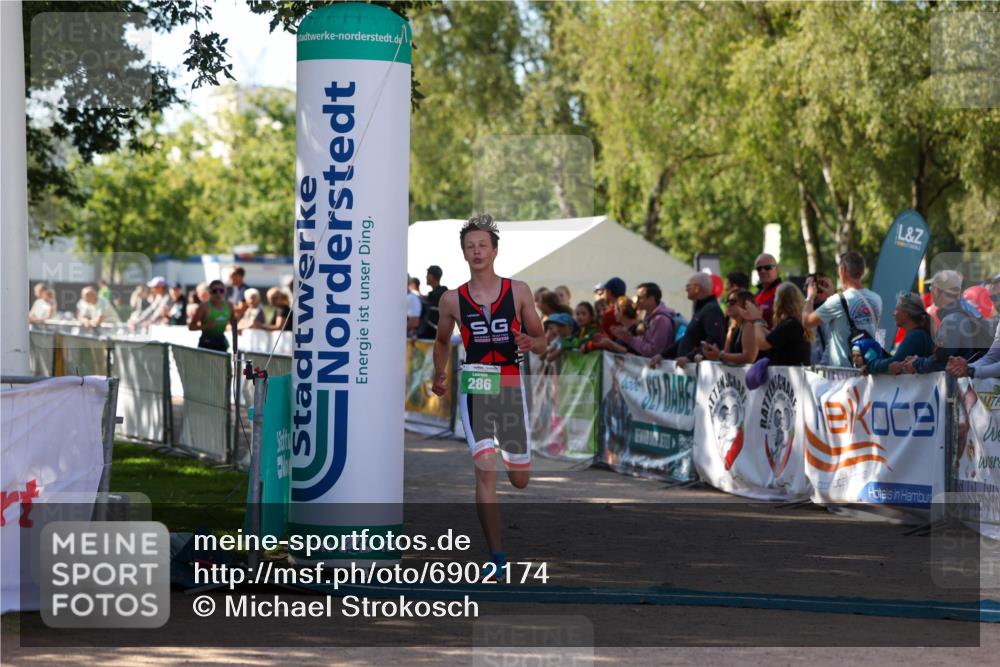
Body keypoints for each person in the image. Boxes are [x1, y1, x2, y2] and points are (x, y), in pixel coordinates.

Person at [431, 214, 546, 581]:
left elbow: (541, 339)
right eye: (470, 246)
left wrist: (531, 342)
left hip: (510, 385)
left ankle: (515, 462)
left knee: (520, 478)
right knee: (484, 468)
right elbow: (440, 340)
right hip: (477, 383)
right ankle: (496, 556)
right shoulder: (452, 299)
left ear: (494, 250)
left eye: (482, 245)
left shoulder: (519, 291)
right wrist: (441, 372)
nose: (477, 251)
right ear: (463, 254)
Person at [902, 270, 992, 375]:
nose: (930, 292)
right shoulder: (966, 315)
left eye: (931, 288)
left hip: (964, 386)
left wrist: (916, 364)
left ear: (937, 292)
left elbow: (940, 361)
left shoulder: (952, 320)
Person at [801, 251, 882, 368]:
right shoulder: (876, 299)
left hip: (842, 374)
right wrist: (832, 296)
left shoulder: (837, 301)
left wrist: (810, 296)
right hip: (865, 370)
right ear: (862, 271)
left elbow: (807, 321)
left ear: (842, 270)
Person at [655, 273, 726, 368]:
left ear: (697, 288)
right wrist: (663, 355)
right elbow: (688, 338)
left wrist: (689, 358)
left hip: (699, 373)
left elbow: (714, 340)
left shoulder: (711, 309)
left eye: (688, 286)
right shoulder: (702, 309)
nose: (686, 289)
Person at [861, 293, 934, 375]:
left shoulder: (916, 335)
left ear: (905, 314)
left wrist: (870, 366)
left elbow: (895, 362)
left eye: (896, 310)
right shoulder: (920, 334)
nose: (893, 313)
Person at [608, 282, 679, 358]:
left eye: (640, 298)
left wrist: (630, 339)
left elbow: (654, 352)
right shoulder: (650, 317)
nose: (636, 301)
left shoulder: (661, 319)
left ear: (651, 299)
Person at [701, 290, 761, 365]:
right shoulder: (732, 327)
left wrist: (720, 354)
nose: (728, 304)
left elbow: (749, 357)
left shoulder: (749, 324)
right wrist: (712, 355)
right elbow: (726, 356)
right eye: (727, 301)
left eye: (732, 302)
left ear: (746, 304)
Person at [188, 279, 233, 352]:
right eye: (215, 291)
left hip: (221, 341)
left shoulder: (229, 306)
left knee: (222, 363)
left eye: (221, 291)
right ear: (210, 292)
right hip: (206, 343)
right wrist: (205, 326)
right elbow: (191, 327)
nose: (218, 294)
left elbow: (233, 322)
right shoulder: (204, 307)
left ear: (225, 291)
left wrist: (233, 327)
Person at [416, 265, 448, 339]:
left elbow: (431, 320)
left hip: (432, 338)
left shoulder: (438, 294)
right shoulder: (441, 293)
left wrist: (419, 334)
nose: (426, 277)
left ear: (432, 276)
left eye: (427, 275)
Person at [753, 253, 782, 328]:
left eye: (767, 267)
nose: (762, 271)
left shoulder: (784, 292)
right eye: (759, 269)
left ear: (777, 269)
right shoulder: (757, 295)